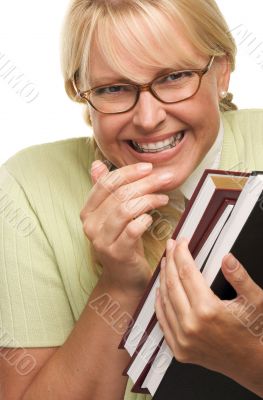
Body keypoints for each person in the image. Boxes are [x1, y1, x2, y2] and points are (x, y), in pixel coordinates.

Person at [0, 0, 263, 399]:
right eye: (113, 88)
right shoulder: (27, 189)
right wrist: (118, 281)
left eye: (174, 77)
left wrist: (246, 357)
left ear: (222, 70)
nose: (147, 118)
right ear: (81, 95)